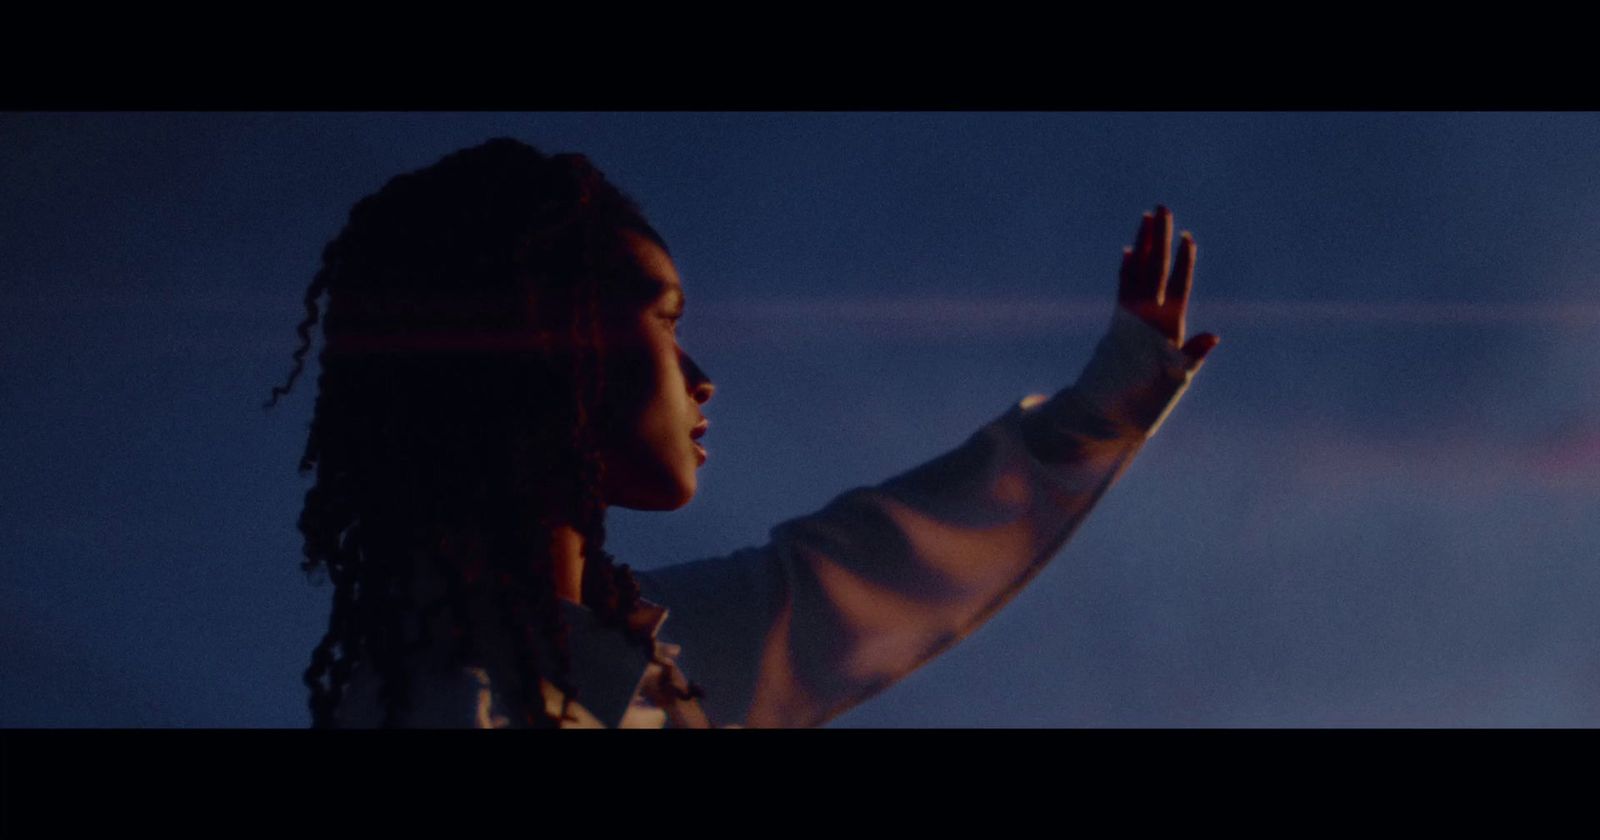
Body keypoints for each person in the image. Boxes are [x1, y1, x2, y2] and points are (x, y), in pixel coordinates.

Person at [264, 137, 1219, 728]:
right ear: (544, 338)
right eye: (666, 319)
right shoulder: (446, 706)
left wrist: (1113, 393)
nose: (699, 377)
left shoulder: (646, 659)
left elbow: (867, 567)